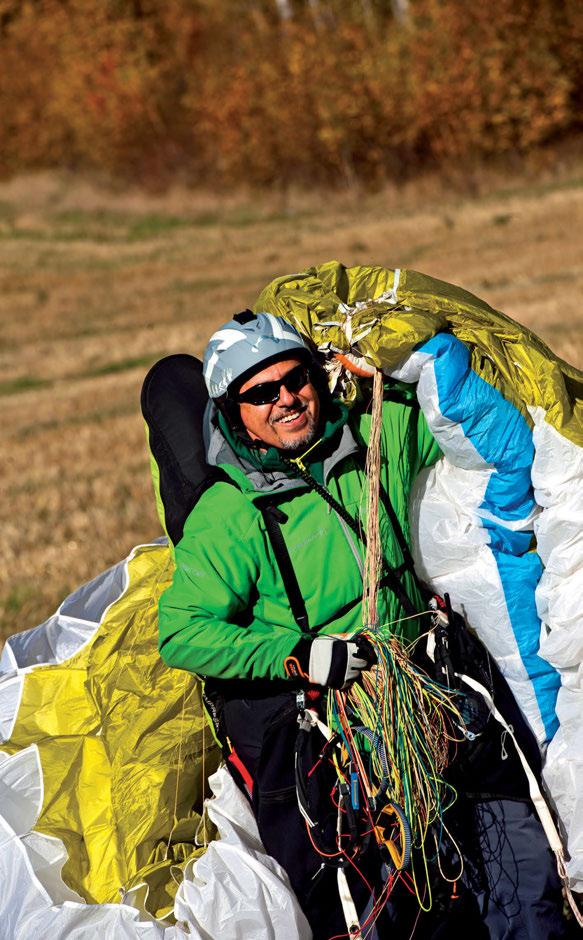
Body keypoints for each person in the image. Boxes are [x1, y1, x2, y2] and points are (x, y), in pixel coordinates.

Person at [158, 311, 567, 939]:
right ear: (231, 411)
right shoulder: (230, 516)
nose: (286, 401)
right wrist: (303, 656)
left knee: (525, 870)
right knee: (416, 910)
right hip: (338, 729)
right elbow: (183, 632)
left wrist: (403, 350)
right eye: (261, 393)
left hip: (432, 689)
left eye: (294, 380)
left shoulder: (378, 436)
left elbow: (465, 423)